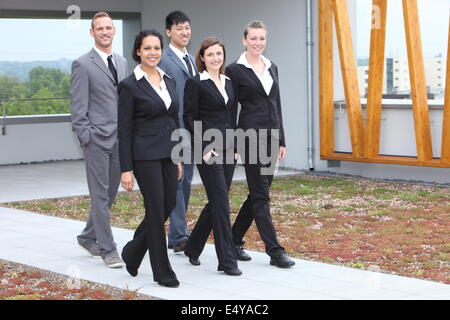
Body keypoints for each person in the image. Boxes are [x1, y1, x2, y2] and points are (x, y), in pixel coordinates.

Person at [225, 20, 295, 268]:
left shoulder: (271, 67)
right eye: (253, 38)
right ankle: (275, 251)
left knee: (259, 194)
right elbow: (230, 108)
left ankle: (233, 238)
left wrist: (282, 139)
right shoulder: (234, 70)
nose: (258, 43)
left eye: (261, 38)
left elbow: (277, 103)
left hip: (272, 137)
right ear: (244, 40)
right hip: (249, 137)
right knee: (261, 196)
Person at [118, 29, 183, 288]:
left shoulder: (169, 80)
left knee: (167, 206)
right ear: (138, 52)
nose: (153, 53)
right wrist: (126, 169)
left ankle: (133, 252)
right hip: (144, 156)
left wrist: (178, 156)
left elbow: (174, 120)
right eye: (147, 48)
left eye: (157, 48)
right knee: (155, 211)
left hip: (169, 154)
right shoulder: (129, 85)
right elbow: (124, 129)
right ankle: (162, 271)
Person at [70, 11, 128, 268]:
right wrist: (87, 138)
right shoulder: (82, 64)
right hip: (96, 140)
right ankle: (108, 249)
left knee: (110, 193)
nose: (105, 32)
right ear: (92, 33)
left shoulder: (123, 62)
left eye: (109, 28)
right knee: (100, 196)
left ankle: (87, 236)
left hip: (119, 140)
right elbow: (78, 107)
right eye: (100, 28)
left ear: (114, 31)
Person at [183, 37, 242, 276]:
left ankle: (193, 247)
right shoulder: (195, 83)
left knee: (217, 201)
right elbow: (189, 118)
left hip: (228, 149)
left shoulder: (228, 82)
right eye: (210, 54)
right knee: (222, 204)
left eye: (219, 53)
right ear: (202, 58)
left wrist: (236, 146)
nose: (215, 58)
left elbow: (232, 116)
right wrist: (204, 146)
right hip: (209, 151)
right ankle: (227, 261)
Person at [158, 11, 197, 253]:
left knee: (186, 183)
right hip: (176, 130)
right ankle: (179, 236)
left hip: (194, 131)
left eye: (187, 28)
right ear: (168, 32)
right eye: (179, 28)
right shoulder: (163, 59)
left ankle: (177, 232)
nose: (185, 32)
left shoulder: (192, 60)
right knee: (177, 182)